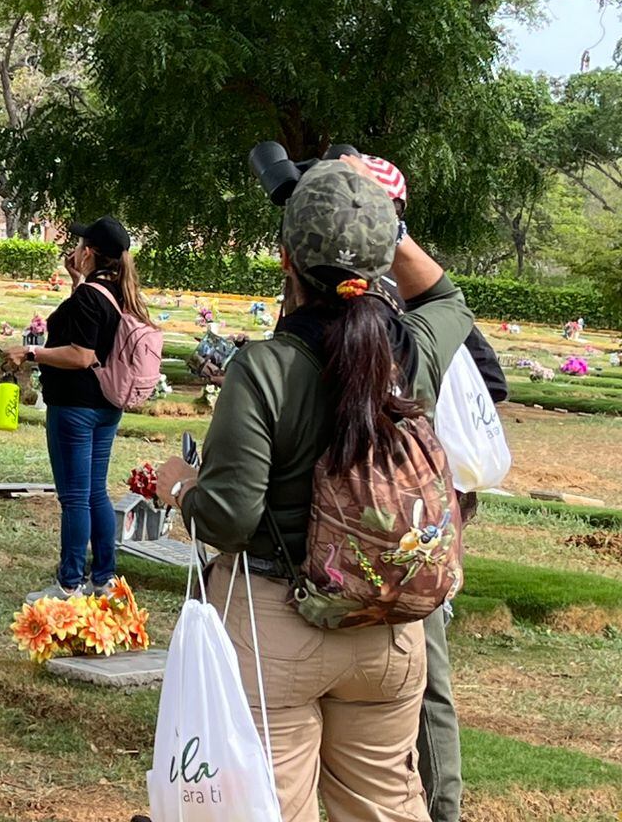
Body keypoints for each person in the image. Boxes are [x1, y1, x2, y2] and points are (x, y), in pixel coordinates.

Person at [154, 158, 474, 822]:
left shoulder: (265, 368)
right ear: (385, 258)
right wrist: (379, 222)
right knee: (386, 804)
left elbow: (230, 519)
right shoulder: (412, 354)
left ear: (285, 258)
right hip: (389, 633)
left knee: (271, 806)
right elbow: (448, 300)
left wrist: (180, 488)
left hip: (278, 624)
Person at [364, 156, 510, 822]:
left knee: (425, 671)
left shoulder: (408, 298)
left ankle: (440, 805)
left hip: (411, 513)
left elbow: (487, 381)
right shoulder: (404, 296)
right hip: (403, 512)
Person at [6, 216, 150, 600]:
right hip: (106, 405)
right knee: (95, 492)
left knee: (73, 497)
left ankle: (69, 582)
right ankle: (103, 577)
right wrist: (76, 281)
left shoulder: (90, 296)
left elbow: (82, 354)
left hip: (75, 406)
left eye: (80, 243)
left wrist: (31, 352)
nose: (75, 248)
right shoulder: (118, 292)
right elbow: (90, 331)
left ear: (89, 252)